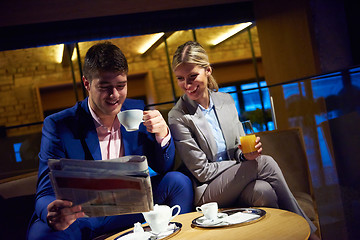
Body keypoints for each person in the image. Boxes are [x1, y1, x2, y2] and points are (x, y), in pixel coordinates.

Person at [27, 41, 193, 240]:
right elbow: (44, 192)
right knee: (41, 235)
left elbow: (163, 167)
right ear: (87, 84)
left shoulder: (137, 111)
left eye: (121, 86)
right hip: (83, 214)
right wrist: (51, 212)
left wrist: (163, 136)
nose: (114, 95)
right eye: (105, 87)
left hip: (132, 206)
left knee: (178, 182)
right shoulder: (59, 125)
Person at [168, 41, 319, 239]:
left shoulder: (226, 101)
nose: (186, 85)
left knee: (264, 191)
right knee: (265, 162)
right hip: (208, 191)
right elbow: (202, 171)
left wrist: (245, 154)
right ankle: (310, 233)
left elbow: (238, 146)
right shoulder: (178, 116)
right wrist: (242, 161)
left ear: (208, 70)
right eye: (180, 79)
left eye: (192, 77)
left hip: (237, 181)